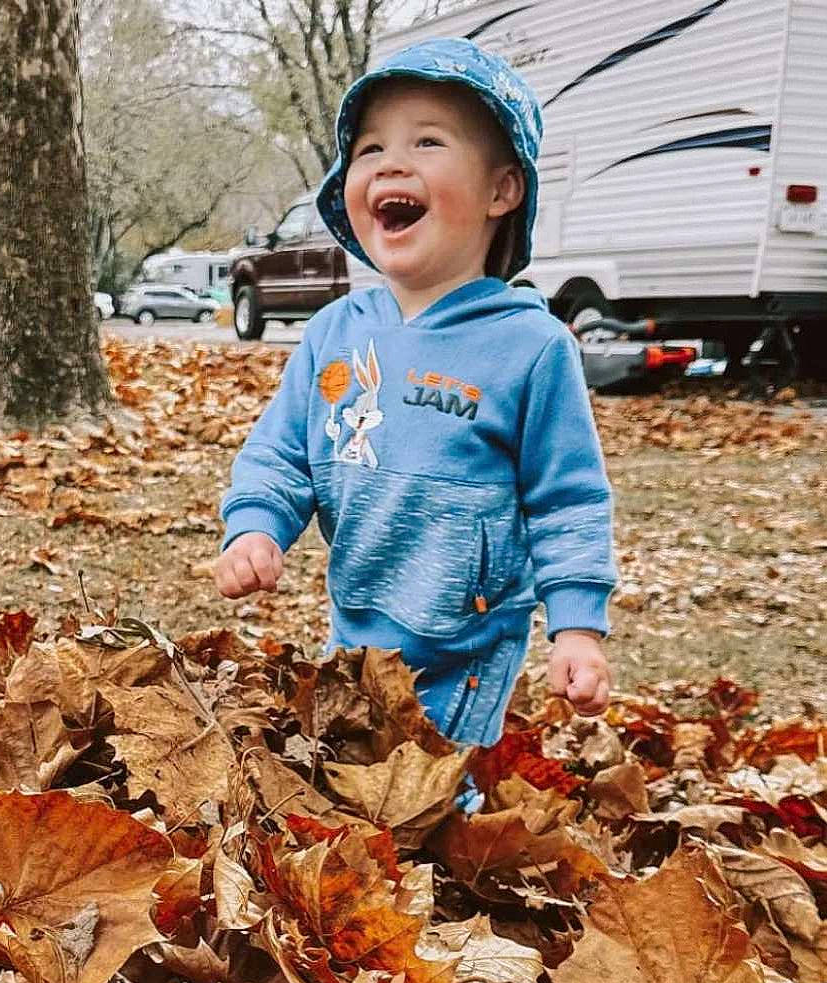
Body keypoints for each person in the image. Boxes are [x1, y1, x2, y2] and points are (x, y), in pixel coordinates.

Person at [216, 37, 618, 753]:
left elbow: (568, 500)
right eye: (368, 148)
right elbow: (282, 454)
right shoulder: (334, 332)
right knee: (351, 771)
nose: (390, 163)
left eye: (427, 141)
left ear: (501, 191)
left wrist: (577, 626)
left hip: (469, 642)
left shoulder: (530, 346)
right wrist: (256, 526)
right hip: (357, 623)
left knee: (432, 790)